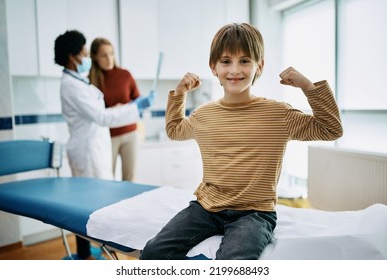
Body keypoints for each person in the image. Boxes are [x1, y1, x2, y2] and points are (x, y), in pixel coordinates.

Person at [139, 23, 343, 260]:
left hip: (254, 214)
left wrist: (308, 87)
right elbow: (174, 130)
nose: (235, 69)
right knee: (153, 252)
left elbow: (331, 129)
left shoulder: (278, 114)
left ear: (260, 66)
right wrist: (179, 94)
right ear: (213, 67)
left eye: (244, 60)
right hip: (206, 208)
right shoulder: (204, 115)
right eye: (226, 61)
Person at [54, 30, 153, 260]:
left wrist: (128, 108)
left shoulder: (79, 81)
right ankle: (85, 253)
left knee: (94, 199)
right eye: (85, 53)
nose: (87, 58)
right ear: (73, 57)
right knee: (85, 203)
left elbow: (102, 113)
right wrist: (135, 108)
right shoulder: (71, 85)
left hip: (94, 149)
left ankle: (89, 249)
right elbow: (102, 117)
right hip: (87, 152)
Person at [89, 38, 147, 181]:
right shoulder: (91, 81)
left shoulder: (125, 75)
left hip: (130, 133)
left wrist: (127, 107)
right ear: (95, 57)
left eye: (111, 53)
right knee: (107, 179)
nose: (109, 59)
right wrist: (113, 109)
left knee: (130, 178)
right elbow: (95, 111)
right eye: (104, 55)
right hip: (108, 137)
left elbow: (138, 101)